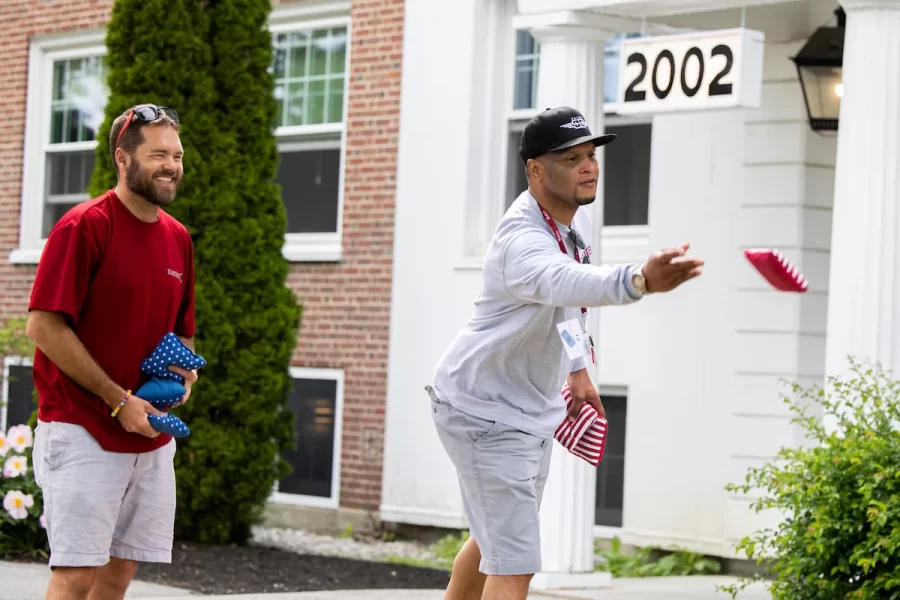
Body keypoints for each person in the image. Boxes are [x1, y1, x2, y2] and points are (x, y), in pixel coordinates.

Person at [426, 106, 705, 600]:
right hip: (483, 412)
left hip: (525, 407)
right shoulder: (522, 239)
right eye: (570, 158)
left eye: (591, 155)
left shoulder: (575, 225)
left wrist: (578, 369)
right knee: (515, 563)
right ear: (535, 169)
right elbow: (563, 280)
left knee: (497, 538)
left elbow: (563, 305)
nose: (588, 166)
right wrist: (639, 280)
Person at [26, 103, 199, 600]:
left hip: (149, 434)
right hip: (82, 427)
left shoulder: (177, 238)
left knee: (119, 573)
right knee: (77, 575)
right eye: (158, 154)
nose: (172, 165)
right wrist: (118, 400)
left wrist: (182, 376)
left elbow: (182, 332)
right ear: (123, 159)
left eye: (178, 155)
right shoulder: (85, 226)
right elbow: (43, 325)